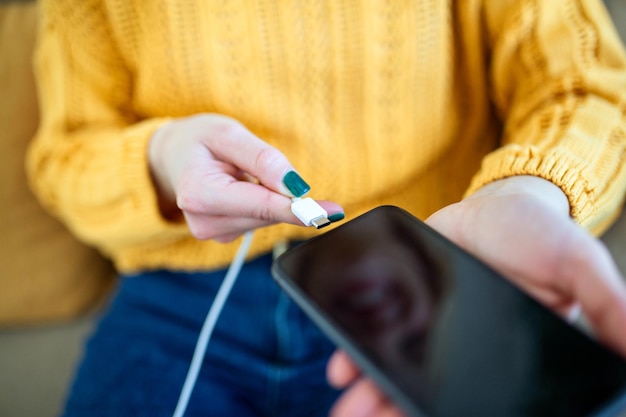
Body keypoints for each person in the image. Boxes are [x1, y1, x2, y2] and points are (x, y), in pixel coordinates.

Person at [26, 0, 626, 416]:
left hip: (427, 265)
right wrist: (163, 156)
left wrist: (524, 190)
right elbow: (64, 161)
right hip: (183, 299)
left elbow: (581, 87)